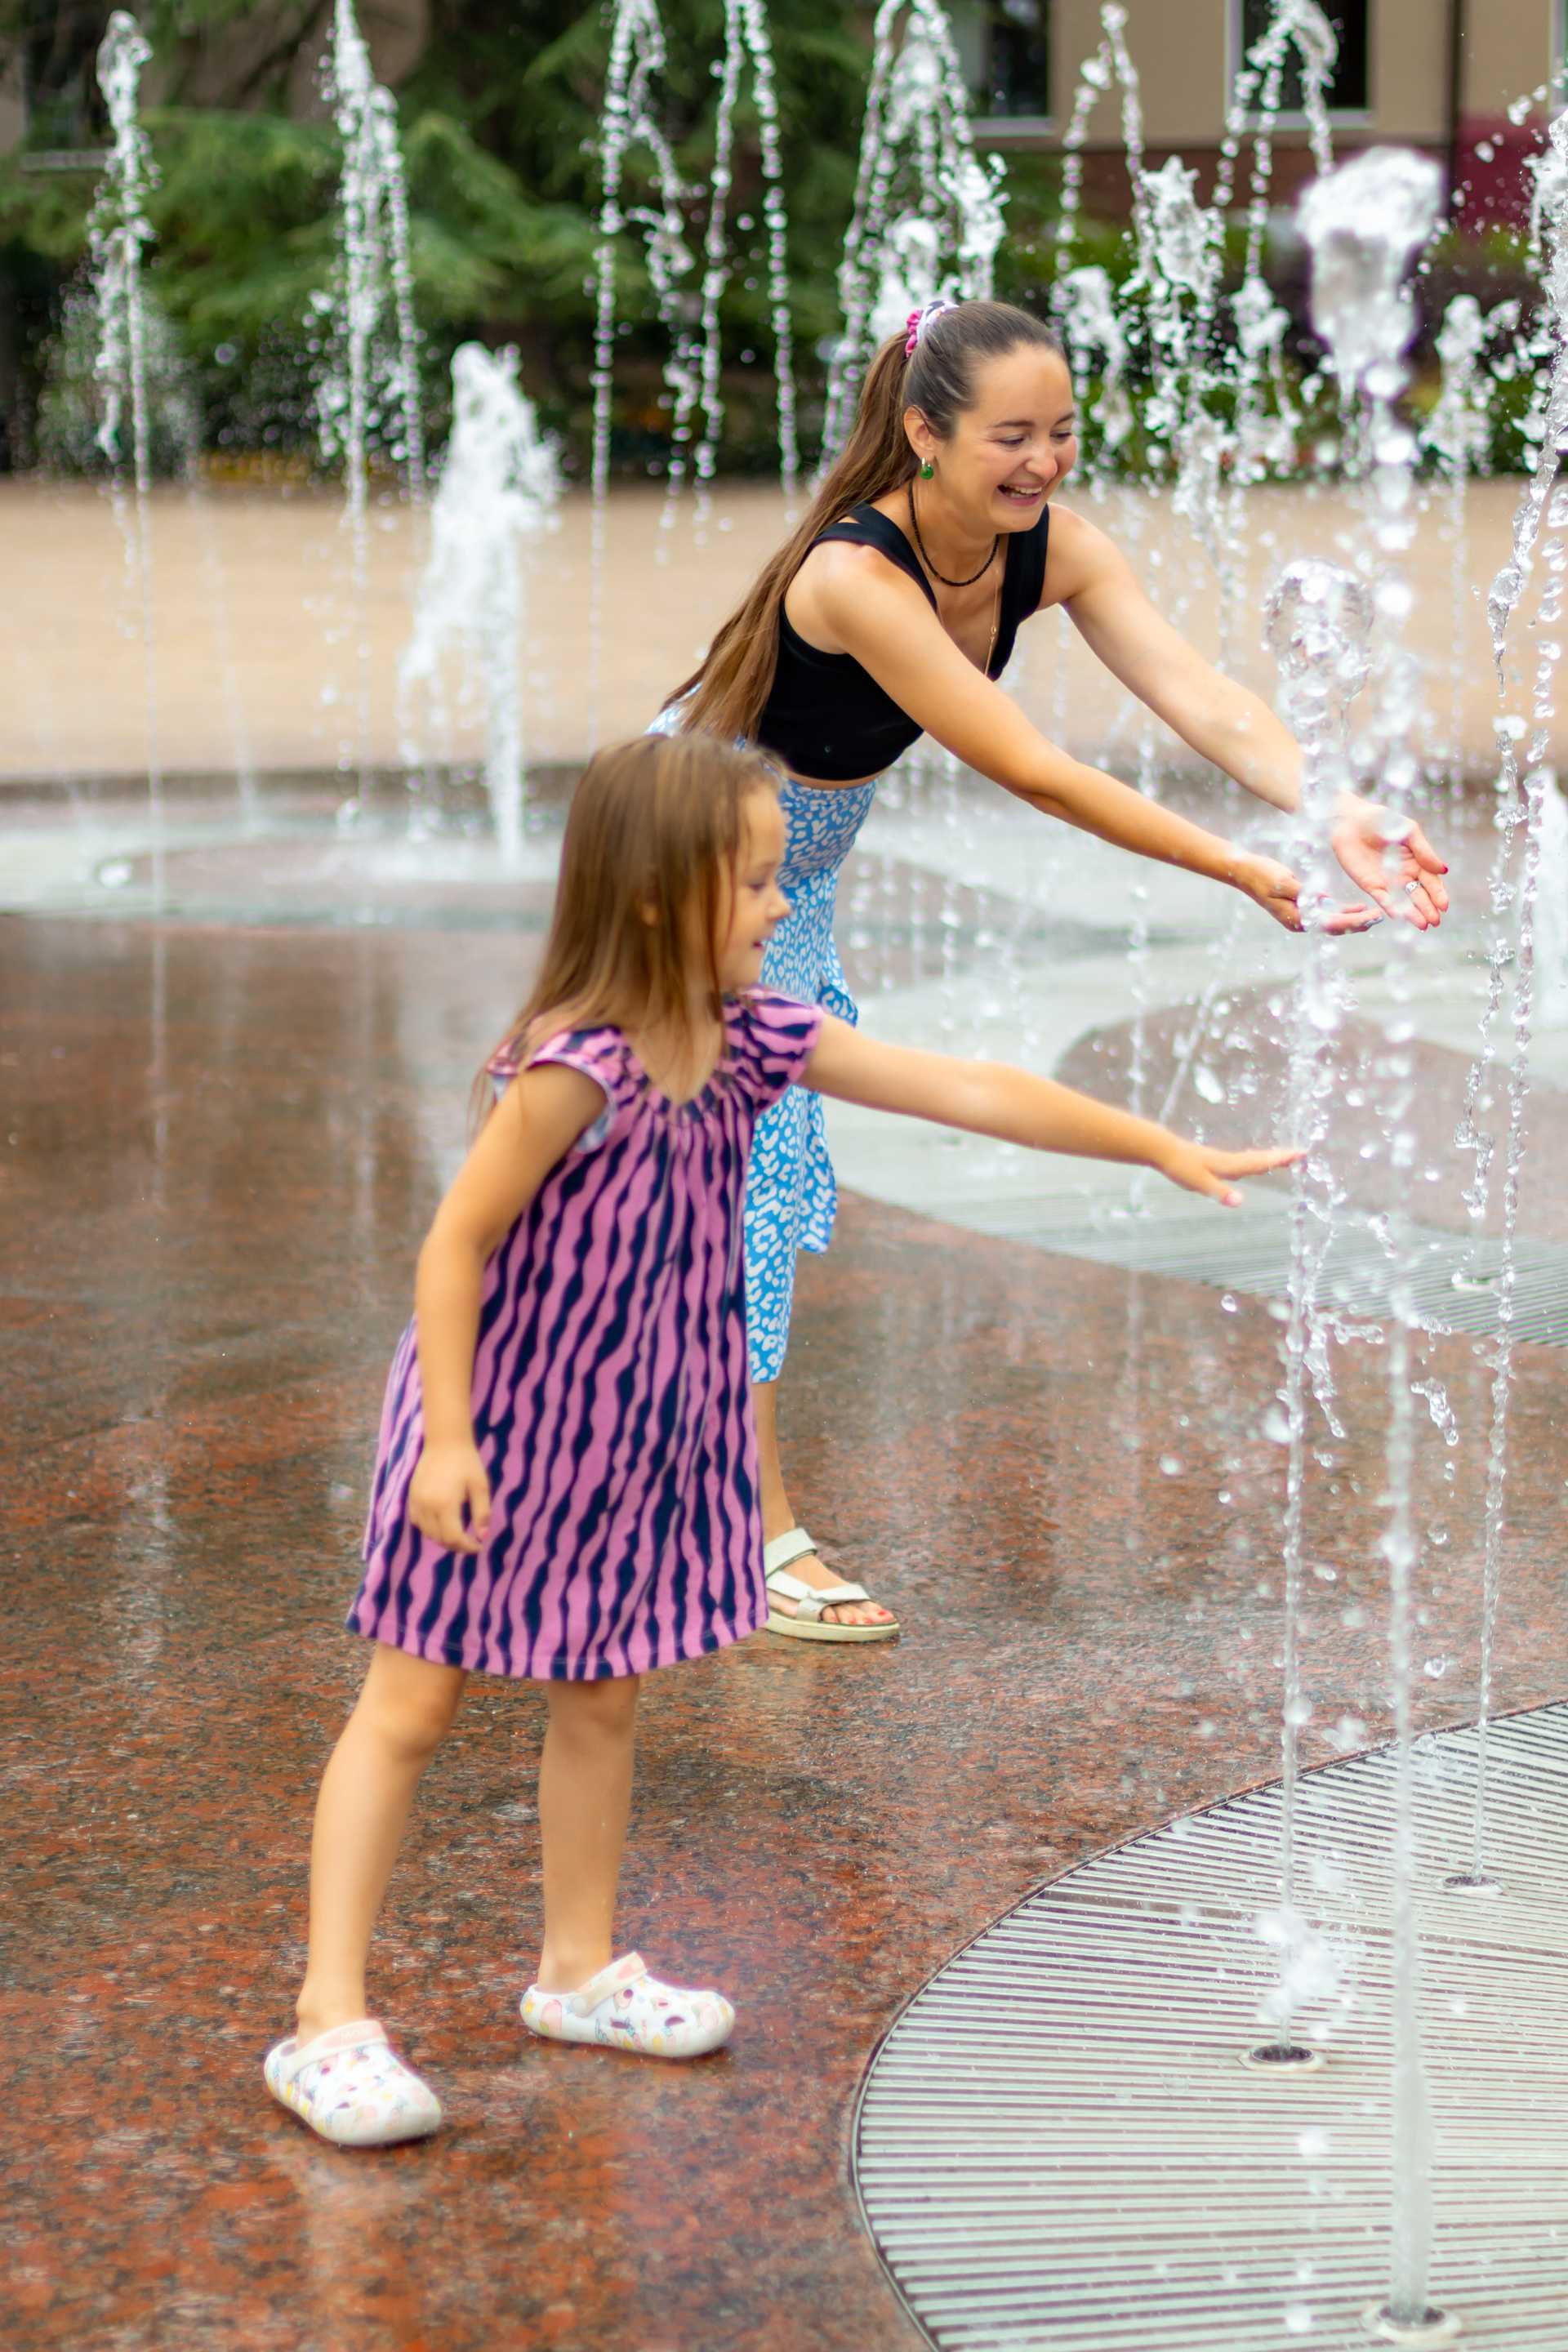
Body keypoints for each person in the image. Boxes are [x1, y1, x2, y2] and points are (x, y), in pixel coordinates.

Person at [263, 731, 1298, 2146]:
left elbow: (964, 1085)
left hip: (630, 1438)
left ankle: (576, 1970)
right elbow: (454, 1246)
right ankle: (326, 2021)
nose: (775, 905)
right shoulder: (575, 1066)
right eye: (752, 882)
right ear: (654, 898)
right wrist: (447, 1437)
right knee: (412, 1707)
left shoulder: (755, 1038)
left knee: (602, 1694)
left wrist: (1153, 1144)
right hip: (492, 1427)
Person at [660, 293, 1450, 1642]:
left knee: (716, 1177)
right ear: (925, 434)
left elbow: (1203, 697)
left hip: (792, 869)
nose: (1043, 461)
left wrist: (1331, 807)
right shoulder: (853, 577)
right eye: (1010, 437)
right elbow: (1031, 767)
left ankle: (622, 1452)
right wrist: (1237, 866)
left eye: (1063, 431)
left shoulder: (1052, 548)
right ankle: (747, 1534)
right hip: (693, 861)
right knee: (755, 1178)